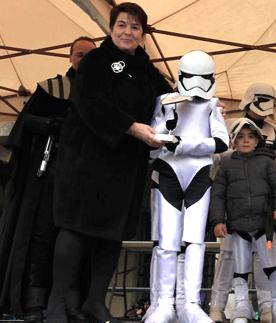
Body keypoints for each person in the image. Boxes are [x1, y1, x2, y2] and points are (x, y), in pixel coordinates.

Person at [46, 3, 171, 323]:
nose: (128, 32)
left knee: (111, 235)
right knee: (74, 229)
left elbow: (170, 99)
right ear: (111, 28)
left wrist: (204, 104)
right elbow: (91, 104)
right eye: (122, 25)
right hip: (87, 163)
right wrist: (132, 127)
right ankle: (57, 304)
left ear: (143, 34)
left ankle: (95, 301)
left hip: (125, 167)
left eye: (135, 27)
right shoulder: (95, 62)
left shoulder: (146, 69)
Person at [0, 36, 96, 323]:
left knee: (77, 243)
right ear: (70, 57)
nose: (83, 60)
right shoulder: (51, 88)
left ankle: (71, 303)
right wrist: (52, 125)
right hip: (48, 176)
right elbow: (23, 125)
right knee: (42, 237)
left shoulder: (101, 95)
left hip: (82, 180)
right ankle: (34, 301)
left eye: (90, 56)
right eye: (80, 55)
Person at [145, 50, 229, 323]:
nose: (196, 84)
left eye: (202, 78)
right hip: (168, 171)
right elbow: (152, 139)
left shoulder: (212, 105)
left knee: (194, 241)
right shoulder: (165, 101)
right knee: (166, 242)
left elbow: (221, 142)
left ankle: (190, 303)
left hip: (198, 174)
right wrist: (165, 135)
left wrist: (183, 143)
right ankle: (163, 303)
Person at [210, 118, 276, 323]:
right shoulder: (226, 167)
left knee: (271, 267)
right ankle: (241, 307)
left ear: (257, 141)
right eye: (240, 137)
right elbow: (217, 195)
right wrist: (218, 221)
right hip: (237, 228)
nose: (246, 141)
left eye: (251, 136)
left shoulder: (267, 163)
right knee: (240, 270)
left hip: (265, 226)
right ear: (233, 142)